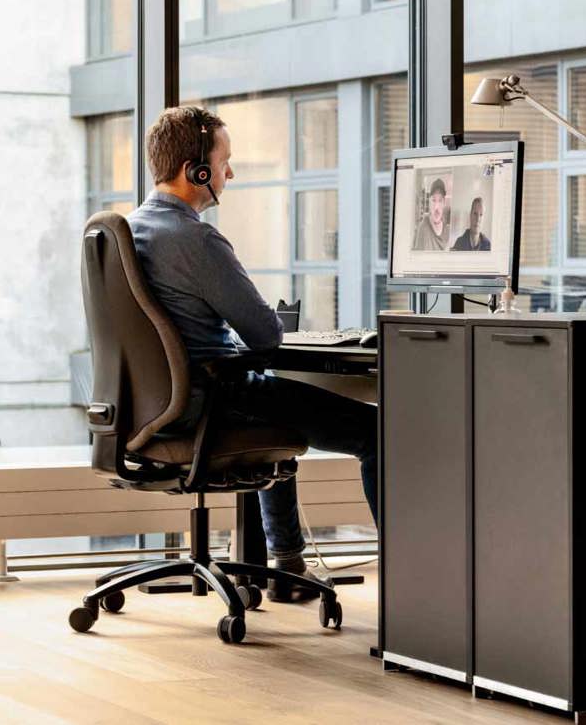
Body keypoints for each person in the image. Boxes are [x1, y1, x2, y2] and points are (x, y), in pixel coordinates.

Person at [127, 106, 377, 600]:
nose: (229, 173)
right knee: (378, 434)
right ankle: (422, 583)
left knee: (280, 412)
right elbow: (266, 335)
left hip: (156, 408)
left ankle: (286, 562)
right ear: (195, 171)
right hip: (214, 398)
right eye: (224, 162)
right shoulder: (196, 238)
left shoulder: (130, 231)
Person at [412, 177, 450, 250]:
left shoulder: (447, 232)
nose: (436, 207)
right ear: (429, 203)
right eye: (433, 200)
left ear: (444, 203)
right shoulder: (422, 228)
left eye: (440, 200)